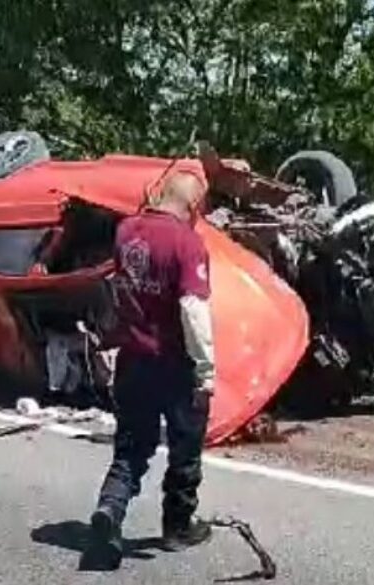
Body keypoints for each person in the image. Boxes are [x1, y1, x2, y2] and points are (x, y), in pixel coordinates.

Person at [88, 169, 217, 565]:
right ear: (194, 206)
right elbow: (192, 311)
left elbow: (116, 288)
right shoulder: (187, 244)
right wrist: (206, 370)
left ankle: (110, 509)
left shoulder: (126, 232)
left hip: (133, 361)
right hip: (174, 366)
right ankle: (177, 526)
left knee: (131, 448)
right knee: (185, 449)